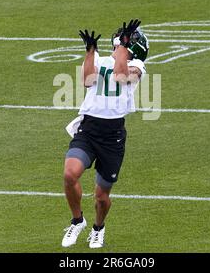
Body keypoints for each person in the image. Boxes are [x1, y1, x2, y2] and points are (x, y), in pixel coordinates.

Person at [62, 19, 149, 248]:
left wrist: (123, 46)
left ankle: (98, 227)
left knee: (101, 197)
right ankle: (77, 220)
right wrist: (90, 51)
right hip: (89, 129)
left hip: (113, 136)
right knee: (70, 175)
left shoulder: (138, 66)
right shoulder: (101, 60)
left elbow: (121, 75)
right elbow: (87, 80)